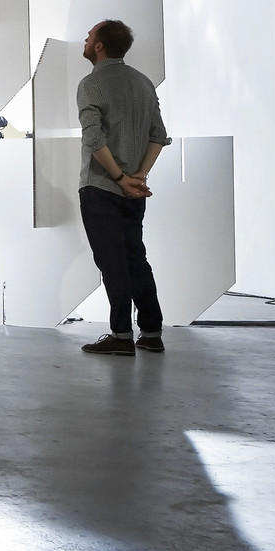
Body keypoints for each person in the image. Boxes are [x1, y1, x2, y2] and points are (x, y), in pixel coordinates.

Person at [77, 18, 170, 357]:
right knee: (135, 258)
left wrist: (119, 177)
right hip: (134, 191)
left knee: (112, 263)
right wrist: (138, 176)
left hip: (101, 187)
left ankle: (120, 335)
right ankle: (152, 332)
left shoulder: (91, 84)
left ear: (100, 45)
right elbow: (158, 135)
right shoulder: (143, 82)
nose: (86, 39)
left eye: (89, 36)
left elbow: (93, 139)